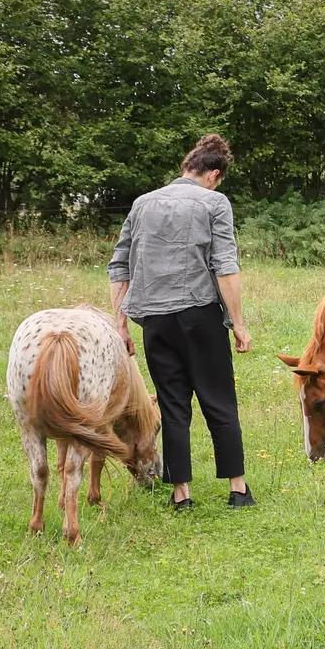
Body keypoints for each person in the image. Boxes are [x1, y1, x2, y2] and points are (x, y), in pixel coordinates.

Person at [108, 134, 256, 511]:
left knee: (173, 406)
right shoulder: (215, 203)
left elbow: (119, 266)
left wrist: (120, 324)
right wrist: (237, 323)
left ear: (186, 168)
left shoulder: (142, 204)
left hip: (154, 321)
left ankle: (181, 496)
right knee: (219, 401)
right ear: (213, 174)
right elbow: (225, 266)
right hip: (199, 315)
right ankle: (238, 490)